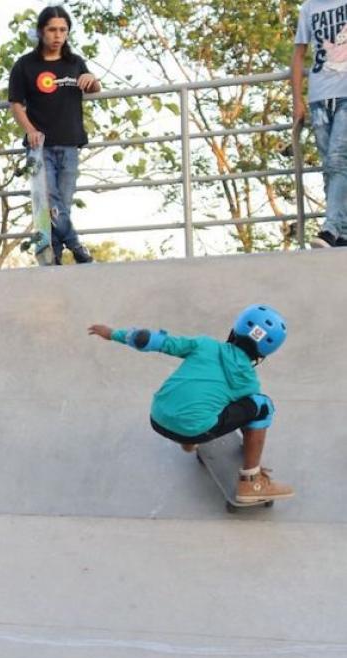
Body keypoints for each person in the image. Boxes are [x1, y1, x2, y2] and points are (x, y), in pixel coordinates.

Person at [87, 306, 295, 504]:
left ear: (235, 330)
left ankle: (188, 444)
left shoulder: (204, 345)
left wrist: (113, 333)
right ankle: (251, 483)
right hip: (193, 429)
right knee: (262, 406)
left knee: (200, 397)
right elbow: (247, 414)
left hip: (157, 416)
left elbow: (152, 340)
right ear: (264, 354)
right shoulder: (248, 382)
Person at [8, 5, 100, 265]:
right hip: (40, 146)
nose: (58, 35)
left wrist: (91, 78)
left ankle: (56, 255)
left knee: (63, 204)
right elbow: (16, 103)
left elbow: (93, 88)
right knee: (49, 199)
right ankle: (76, 246)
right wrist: (31, 130)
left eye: (63, 30)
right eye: (52, 30)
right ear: (41, 32)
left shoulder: (74, 62)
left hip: (71, 143)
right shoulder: (25, 65)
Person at [293, 1, 347, 247]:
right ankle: (343, 234)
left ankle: (330, 229)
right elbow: (299, 55)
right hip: (318, 98)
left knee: (337, 159)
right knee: (330, 167)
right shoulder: (308, 8)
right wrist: (297, 100)